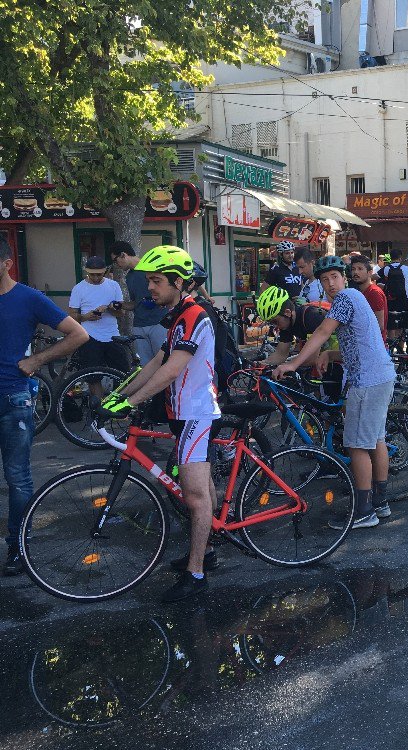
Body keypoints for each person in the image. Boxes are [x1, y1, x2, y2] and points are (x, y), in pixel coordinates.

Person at [99, 246, 221, 601]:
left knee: (196, 498)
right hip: (183, 413)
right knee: (202, 489)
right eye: (148, 280)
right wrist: (118, 396)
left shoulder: (195, 315)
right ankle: (207, 551)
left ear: (178, 282)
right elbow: (155, 362)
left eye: (155, 281)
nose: (149, 287)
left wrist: (129, 403)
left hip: (196, 412)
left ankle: (196, 575)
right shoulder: (178, 314)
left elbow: (173, 369)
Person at [275, 256, 396, 527]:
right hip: (381, 375)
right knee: (376, 440)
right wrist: (331, 353)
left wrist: (293, 363)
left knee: (356, 446)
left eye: (334, 277)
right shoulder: (355, 297)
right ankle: (381, 502)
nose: (330, 283)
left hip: (368, 381)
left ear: (344, 277)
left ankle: (364, 512)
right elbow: (359, 343)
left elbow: (321, 330)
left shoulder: (344, 298)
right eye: (324, 279)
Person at [0, 237, 87, 575]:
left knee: (17, 478)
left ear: (7, 263)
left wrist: (38, 359)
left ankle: (18, 547)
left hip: (14, 397)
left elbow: (78, 334)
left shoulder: (29, 298)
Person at [69, 255, 128, 398]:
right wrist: (85, 317)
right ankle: (99, 411)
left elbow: (122, 313)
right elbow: (71, 316)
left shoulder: (113, 286)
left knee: (123, 375)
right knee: (93, 377)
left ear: (106, 272)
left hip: (112, 335)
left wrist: (110, 308)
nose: (95, 278)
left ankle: (118, 408)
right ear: (86, 272)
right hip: (89, 337)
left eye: (99, 275)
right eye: (92, 275)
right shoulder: (79, 288)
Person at [113, 241, 168, 365]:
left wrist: (156, 300)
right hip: (139, 326)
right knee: (146, 366)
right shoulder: (129, 277)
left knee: (164, 363)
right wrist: (120, 304)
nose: (116, 265)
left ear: (123, 255)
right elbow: (136, 303)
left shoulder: (152, 267)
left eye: (115, 260)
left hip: (160, 323)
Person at [351, 255, 388, 342]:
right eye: (353, 269)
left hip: (372, 345)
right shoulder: (360, 291)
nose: (355, 272)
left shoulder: (374, 293)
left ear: (370, 272)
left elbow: (380, 325)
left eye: (360, 269)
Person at [377, 248, 408, 343]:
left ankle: (391, 346)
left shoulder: (386, 268)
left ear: (390, 258)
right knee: (402, 325)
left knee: (391, 326)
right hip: (404, 300)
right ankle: (401, 348)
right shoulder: (405, 268)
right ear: (400, 257)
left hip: (390, 300)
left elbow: (374, 276)